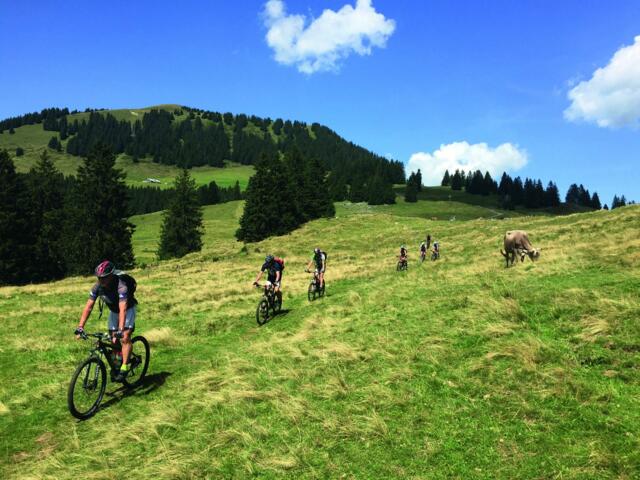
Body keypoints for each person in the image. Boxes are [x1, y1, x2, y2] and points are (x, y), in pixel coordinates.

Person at [75, 260, 137, 382]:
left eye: (104, 278)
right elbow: (88, 307)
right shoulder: (97, 287)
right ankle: (118, 360)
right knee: (113, 339)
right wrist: (80, 326)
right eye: (99, 277)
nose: (101, 280)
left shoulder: (122, 286)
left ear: (111, 276)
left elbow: (123, 309)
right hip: (114, 311)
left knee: (124, 337)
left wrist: (121, 329)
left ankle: (124, 367)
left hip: (128, 309)